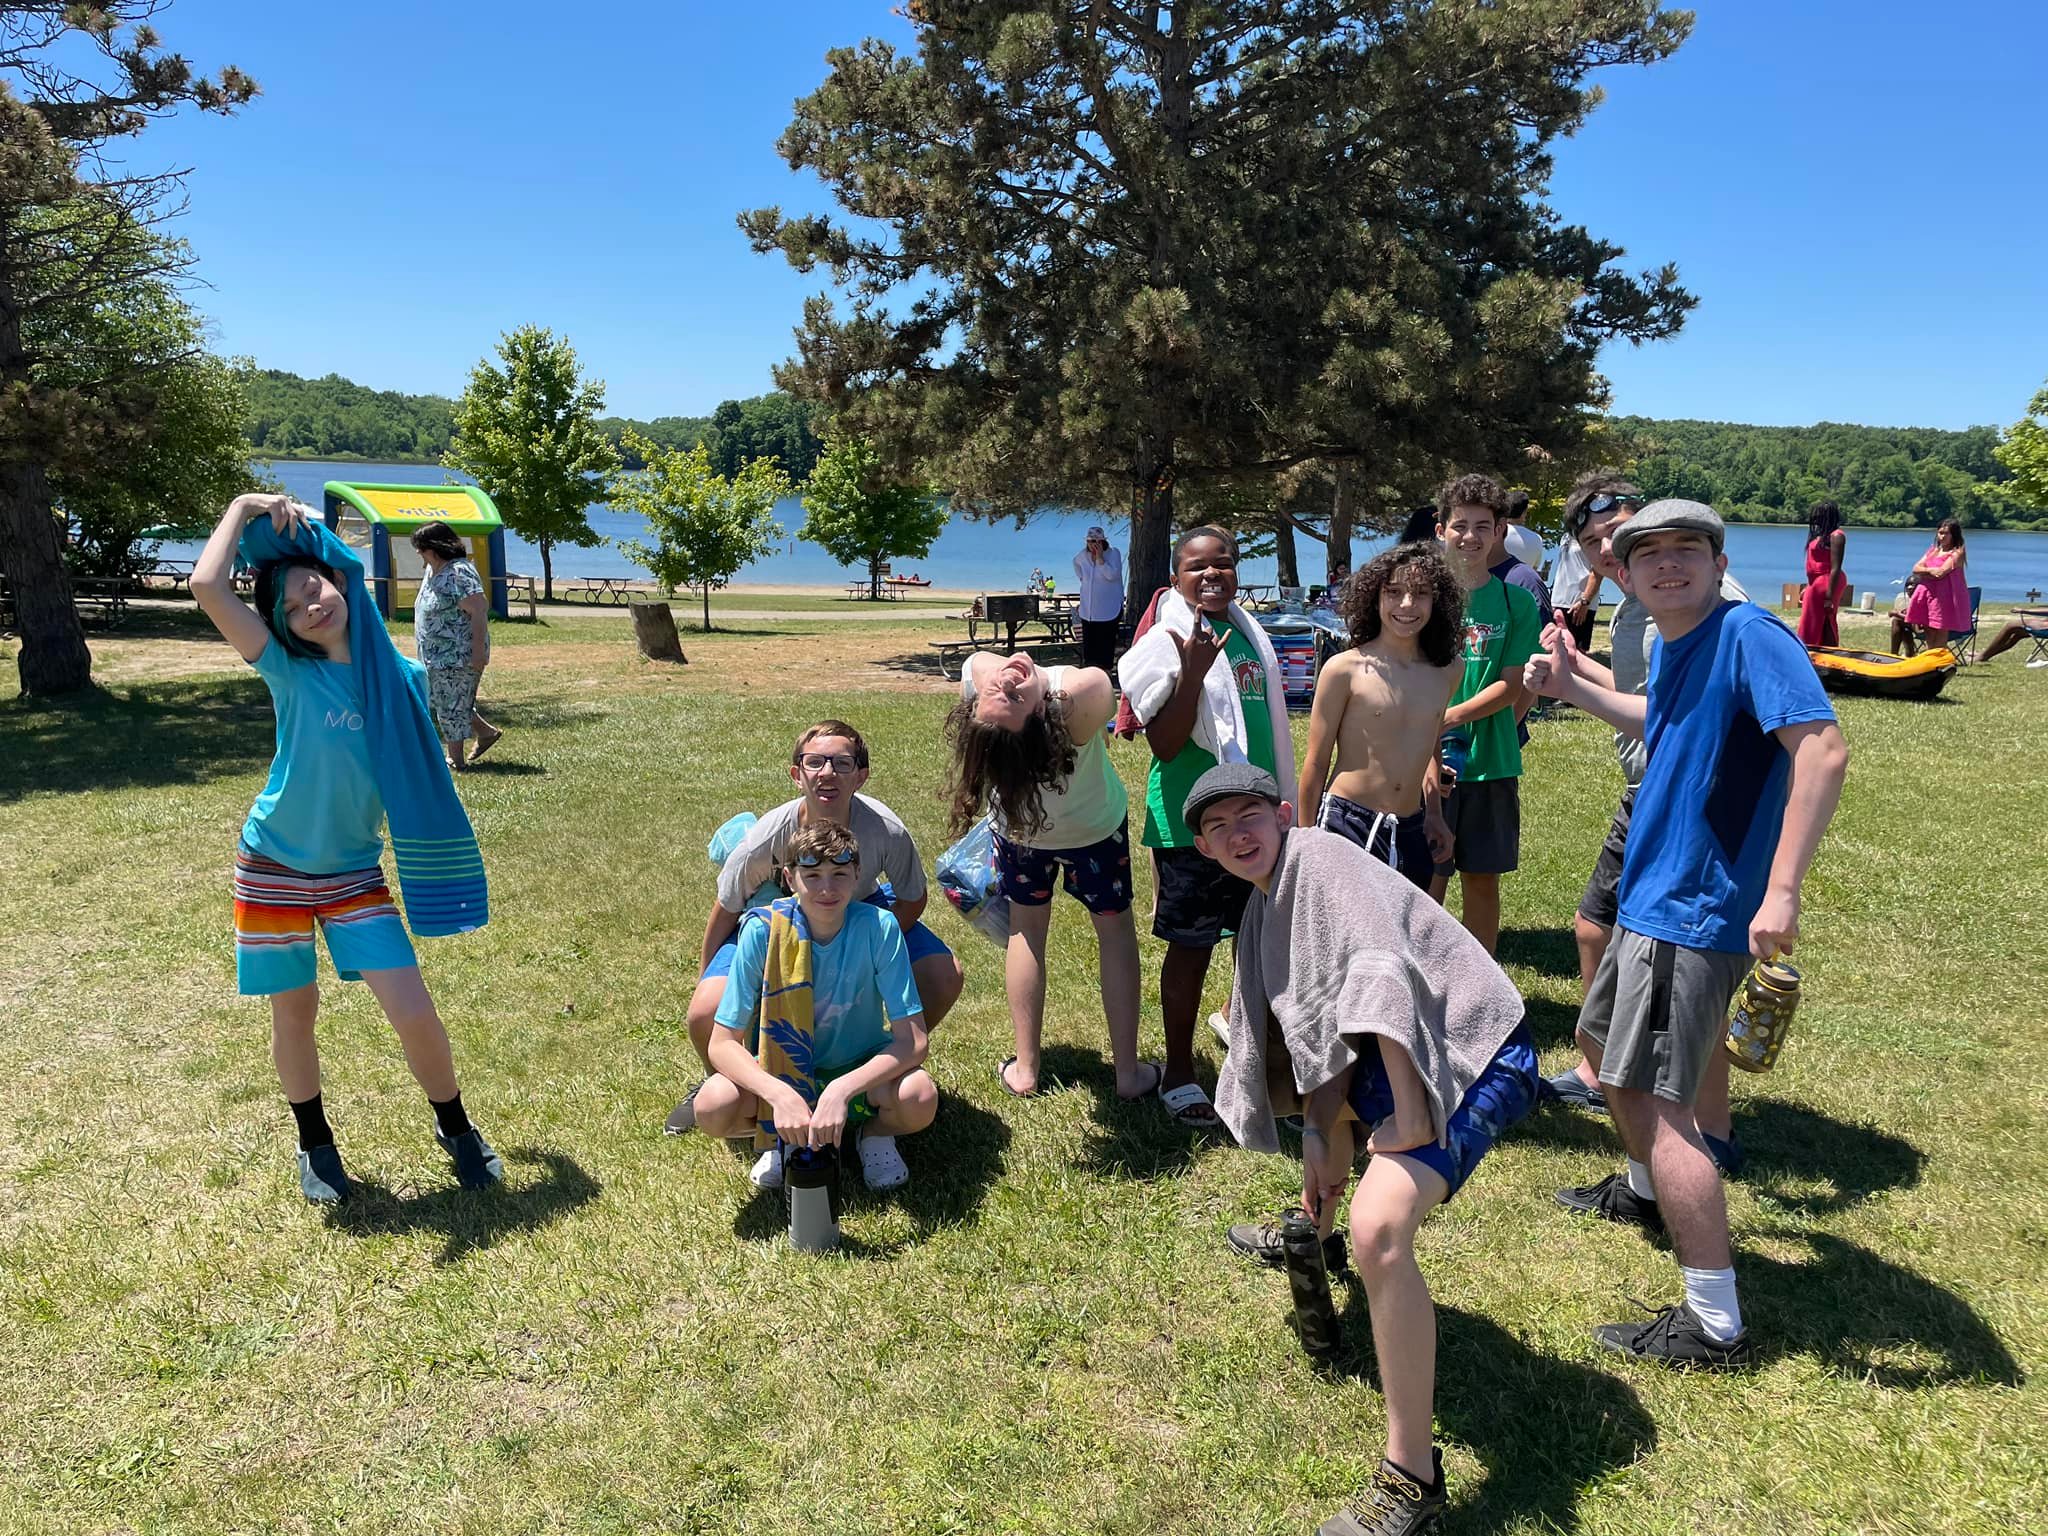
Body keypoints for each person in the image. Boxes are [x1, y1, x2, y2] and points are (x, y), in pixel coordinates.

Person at [1524, 499, 1848, 1367]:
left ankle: (1714, 1321)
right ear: (1625, 575)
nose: (1668, 564)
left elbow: (1822, 748)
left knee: (1662, 1106)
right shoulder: (1676, 642)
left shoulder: (1749, 636)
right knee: (1606, 1052)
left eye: (1687, 550)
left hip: (1697, 908)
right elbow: (1661, 725)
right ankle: (1642, 1190)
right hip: (1651, 893)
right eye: (1650, 553)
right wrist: (1572, 688)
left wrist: (1782, 891)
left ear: (1717, 563)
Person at [1195, 765, 1538, 1535]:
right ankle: (1311, 1235)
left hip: (1470, 1048)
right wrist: (1321, 1133)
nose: (1238, 834)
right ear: (1204, 847)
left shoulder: (1317, 859)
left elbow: (1382, 968)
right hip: (1397, 1053)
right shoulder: (1263, 907)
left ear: (1284, 815)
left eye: (1250, 815)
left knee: (1379, 1227)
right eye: (1218, 827)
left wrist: (1411, 1114)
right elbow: (1320, 1034)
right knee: (1335, 1157)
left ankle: (1412, 1481)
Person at [190, 492, 502, 1205]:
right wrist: (243, 505)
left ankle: (455, 1126)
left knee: (412, 1007)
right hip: (271, 865)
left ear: (340, 583)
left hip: (353, 873)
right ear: (280, 626)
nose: (309, 606)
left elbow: (427, 759)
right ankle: (315, 1144)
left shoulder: (404, 680)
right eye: (292, 606)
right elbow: (207, 585)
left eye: (315, 588)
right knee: (294, 1012)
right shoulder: (286, 667)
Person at [1533, 477, 1752, 1178]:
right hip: (1648, 792)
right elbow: (1650, 700)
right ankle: (1604, 1071)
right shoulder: (1637, 606)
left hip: (1687, 805)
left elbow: (1709, 717)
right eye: (1593, 541)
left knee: (1691, 969)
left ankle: (1708, 1131)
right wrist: (1575, 672)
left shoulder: (1697, 605)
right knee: (1595, 929)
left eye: (1618, 533)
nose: (1606, 549)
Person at [665, 720, 964, 1135]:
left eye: (842, 763)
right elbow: (727, 907)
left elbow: (912, 898)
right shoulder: (767, 837)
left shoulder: (885, 829)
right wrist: (706, 977)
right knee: (706, 1010)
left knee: (944, 974)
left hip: (860, 907)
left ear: (861, 776)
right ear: (796, 774)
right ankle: (730, 1082)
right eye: (815, 762)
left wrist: (859, 951)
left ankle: (882, 1071)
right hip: (775, 923)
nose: (827, 773)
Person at [1117, 526, 1293, 1129]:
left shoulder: (1247, 633)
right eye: (1197, 567)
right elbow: (1165, 745)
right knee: (1191, 947)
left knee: (1261, 944)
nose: (1213, 574)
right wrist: (1192, 671)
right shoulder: (1165, 640)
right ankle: (1179, 1072)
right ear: (1175, 579)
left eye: (1224, 563)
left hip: (1257, 819)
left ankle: (1260, 1060)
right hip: (1192, 823)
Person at [946, 651, 1155, 1102]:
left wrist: (1018, 691)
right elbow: (1099, 680)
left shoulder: (993, 697)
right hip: (1094, 829)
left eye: (997, 692)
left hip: (1022, 830)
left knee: (1026, 931)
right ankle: (1128, 1074)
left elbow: (979, 662)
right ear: (1046, 720)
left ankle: (1025, 1070)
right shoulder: (1078, 698)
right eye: (1012, 697)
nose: (1006, 681)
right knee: (1115, 933)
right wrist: (1044, 687)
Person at [688, 821, 938, 1191]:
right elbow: (722, 1043)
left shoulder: (879, 927)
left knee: (919, 1096)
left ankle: (873, 1134)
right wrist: (778, 1094)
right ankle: (777, 1135)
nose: (826, 888)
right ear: (790, 878)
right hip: (781, 1069)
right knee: (712, 1104)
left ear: (857, 875)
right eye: (813, 875)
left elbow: (913, 1041)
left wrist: (841, 1090)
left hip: (857, 1070)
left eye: (839, 874)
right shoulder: (763, 931)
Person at [1296, 543, 1462, 888]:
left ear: (1438, 601)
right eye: (1394, 592)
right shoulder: (1343, 669)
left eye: (1420, 593)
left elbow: (1430, 741)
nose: (1407, 604)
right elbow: (1316, 761)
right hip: (1347, 824)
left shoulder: (1448, 670)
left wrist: (1434, 813)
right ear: (1375, 597)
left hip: (1411, 827)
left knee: (1405, 922)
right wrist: (1306, 840)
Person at [1427, 476, 1540, 954]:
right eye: (1460, 526)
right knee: (1425, 875)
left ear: (1499, 532)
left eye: (1482, 526)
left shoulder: (1516, 602)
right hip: (1422, 759)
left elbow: (1512, 684)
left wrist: (1448, 717)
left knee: (1480, 878)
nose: (1470, 536)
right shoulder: (1423, 599)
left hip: (1490, 761)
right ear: (1441, 531)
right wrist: (1428, 732)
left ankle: (1480, 982)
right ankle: (1415, 977)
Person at [410, 522, 502, 771]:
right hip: (436, 656)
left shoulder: (459, 572)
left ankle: (455, 758)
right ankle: (486, 733)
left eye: (421, 548)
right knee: (448, 700)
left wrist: (478, 652)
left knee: (451, 704)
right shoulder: (433, 571)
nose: (418, 552)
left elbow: (479, 611)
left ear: (434, 547)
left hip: (458, 654)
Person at [1890, 519, 1969, 656]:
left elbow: (1941, 573)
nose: (1942, 536)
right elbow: (1916, 568)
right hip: (1927, 595)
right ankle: (1930, 658)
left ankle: (1938, 660)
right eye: (1940, 533)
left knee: (1940, 629)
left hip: (1944, 597)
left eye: (1946, 533)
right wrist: (1930, 571)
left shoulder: (1957, 553)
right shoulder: (1933, 551)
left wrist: (1926, 572)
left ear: (1954, 535)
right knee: (1929, 629)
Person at [1491, 489, 1554, 627]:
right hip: (1524, 600)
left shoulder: (1494, 532)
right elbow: (1534, 570)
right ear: (1524, 512)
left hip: (1494, 596)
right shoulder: (1536, 539)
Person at [1796, 500, 1849, 647]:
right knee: (1813, 619)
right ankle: (1813, 648)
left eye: (1818, 515)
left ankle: (1825, 649)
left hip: (1827, 580)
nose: (1815, 518)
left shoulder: (1836, 535)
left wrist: (1829, 597)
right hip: (1816, 582)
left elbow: (1836, 567)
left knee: (1825, 617)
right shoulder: (1820, 535)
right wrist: (1809, 586)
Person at [1072, 526, 1125, 674]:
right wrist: (1084, 579)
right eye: (1090, 541)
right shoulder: (1083, 556)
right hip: (1088, 612)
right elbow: (1076, 564)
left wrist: (1100, 559)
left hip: (1108, 610)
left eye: (1096, 541)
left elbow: (1112, 575)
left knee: (1105, 649)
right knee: (1090, 651)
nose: (1092, 544)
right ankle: (1090, 677)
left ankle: (1105, 676)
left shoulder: (1113, 554)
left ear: (1102, 541)